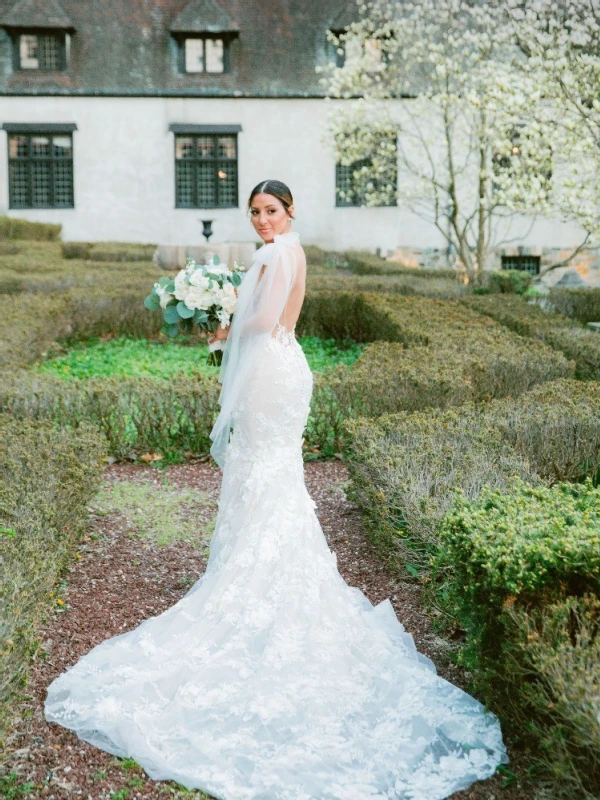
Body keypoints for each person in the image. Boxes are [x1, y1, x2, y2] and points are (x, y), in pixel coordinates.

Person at [45, 179, 508, 799]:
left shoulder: (270, 255)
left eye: (271, 211)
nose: (263, 220)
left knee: (262, 468)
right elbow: (283, 317)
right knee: (274, 472)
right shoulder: (296, 251)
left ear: (290, 211)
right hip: (289, 369)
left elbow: (262, 319)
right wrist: (232, 316)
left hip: (269, 370)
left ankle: (250, 576)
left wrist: (221, 326)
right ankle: (262, 566)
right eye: (256, 212)